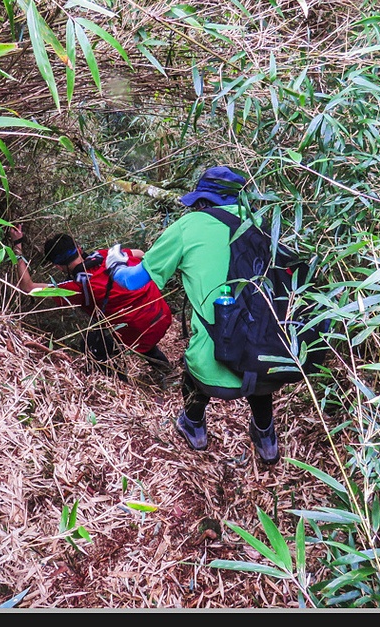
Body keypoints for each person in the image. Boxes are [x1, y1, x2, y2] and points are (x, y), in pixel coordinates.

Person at [104, 166, 284, 464]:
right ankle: (266, 437)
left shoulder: (188, 227)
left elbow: (134, 281)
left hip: (214, 363)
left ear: (203, 200)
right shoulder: (266, 224)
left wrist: (115, 265)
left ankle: (194, 424)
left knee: (195, 365)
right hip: (270, 354)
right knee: (256, 365)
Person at [9, 225, 172, 375]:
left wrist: (17, 247)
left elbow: (28, 287)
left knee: (91, 344)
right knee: (132, 321)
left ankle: (121, 386)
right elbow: (141, 254)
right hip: (162, 314)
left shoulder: (78, 288)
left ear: (57, 266)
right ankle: (164, 369)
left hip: (140, 331)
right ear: (78, 249)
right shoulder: (105, 255)